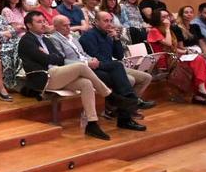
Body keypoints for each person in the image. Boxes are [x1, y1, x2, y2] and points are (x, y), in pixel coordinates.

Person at [18, 11, 141, 139]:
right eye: (39, 22)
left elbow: (59, 58)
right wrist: (50, 57)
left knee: (86, 83)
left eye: (44, 21)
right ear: (29, 25)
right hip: (44, 77)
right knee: (82, 66)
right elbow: (46, 60)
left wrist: (49, 56)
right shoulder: (26, 41)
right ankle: (109, 95)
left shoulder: (45, 40)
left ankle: (92, 124)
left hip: (58, 73)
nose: (43, 24)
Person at [50, 13, 155, 119]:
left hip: (105, 65)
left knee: (146, 77)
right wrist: (92, 61)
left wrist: (116, 39)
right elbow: (63, 59)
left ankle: (126, 107)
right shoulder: (88, 36)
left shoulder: (76, 37)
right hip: (91, 67)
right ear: (96, 22)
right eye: (106, 21)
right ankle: (127, 106)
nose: (109, 24)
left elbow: (118, 55)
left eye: (110, 21)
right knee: (127, 77)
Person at [146, 9, 206, 105]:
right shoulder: (154, 30)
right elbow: (168, 44)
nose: (166, 19)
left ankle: (201, 89)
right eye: (163, 17)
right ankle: (199, 93)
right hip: (164, 61)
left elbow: (174, 48)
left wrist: (186, 51)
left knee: (198, 59)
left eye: (167, 16)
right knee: (194, 63)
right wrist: (167, 28)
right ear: (157, 19)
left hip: (174, 56)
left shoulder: (168, 30)